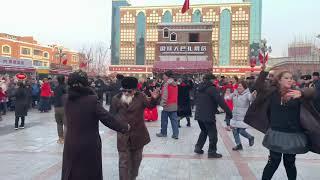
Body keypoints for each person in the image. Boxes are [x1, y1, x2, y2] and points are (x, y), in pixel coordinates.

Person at [244, 65, 319, 180]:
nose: (290, 80)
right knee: (273, 162)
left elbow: (313, 92)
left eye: (291, 78)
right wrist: (265, 71)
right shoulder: (272, 92)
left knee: (289, 163)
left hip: (293, 135)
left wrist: (302, 93)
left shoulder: (297, 92)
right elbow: (257, 86)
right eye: (286, 78)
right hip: (276, 133)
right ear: (279, 80)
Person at [61, 70, 130, 180]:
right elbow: (107, 118)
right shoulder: (91, 99)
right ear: (85, 83)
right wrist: (124, 127)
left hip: (71, 142)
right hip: (89, 144)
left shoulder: (66, 99)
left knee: (71, 171)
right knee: (89, 172)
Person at [110, 77, 159, 180]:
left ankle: (132, 177)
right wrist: (119, 125)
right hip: (123, 136)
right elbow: (112, 116)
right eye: (124, 90)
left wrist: (154, 98)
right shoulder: (116, 99)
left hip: (138, 135)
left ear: (135, 90)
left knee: (136, 161)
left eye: (129, 91)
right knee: (123, 163)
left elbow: (150, 106)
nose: (126, 93)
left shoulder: (141, 96)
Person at [194, 74, 232, 158]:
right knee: (213, 134)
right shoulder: (212, 89)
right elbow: (220, 101)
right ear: (211, 80)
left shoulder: (199, 88)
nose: (215, 82)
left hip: (199, 114)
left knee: (204, 131)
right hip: (208, 115)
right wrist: (228, 111)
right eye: (214, 80)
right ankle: (212, 152)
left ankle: (198, 147)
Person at [230, 81, 255, 151]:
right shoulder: (235, 93)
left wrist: (253, 95)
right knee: (234, 131)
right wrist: (227, 96)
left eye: (241, 86)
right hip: (235, 116)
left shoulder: (247, 94)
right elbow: (228, 97)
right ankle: (238, 145)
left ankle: (250, 137)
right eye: (238, 86)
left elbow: (251, 99)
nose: (239, 87)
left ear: (244, 87)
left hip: (243, 116)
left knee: (241, 131)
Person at [156, 70, 179, 139]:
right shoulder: (175, 84)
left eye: (164, 75)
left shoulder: (166, 84)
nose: (163, 76)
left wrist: (162, 104)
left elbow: (165, 95)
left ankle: (163, 133)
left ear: (167, 76)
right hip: (174, 104)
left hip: (167, 105)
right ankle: (175, 134)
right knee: (174, 121)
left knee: (164, 120)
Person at [53, 75, 67, 144]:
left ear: (58, 80)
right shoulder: (66, 88)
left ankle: (60, 138)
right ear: (64, 80)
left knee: (59, 123)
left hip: (56, 107)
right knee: (66, 124)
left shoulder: (56, 88)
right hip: (64, 107)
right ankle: (65, 139)